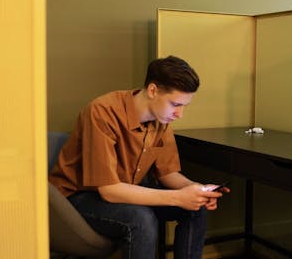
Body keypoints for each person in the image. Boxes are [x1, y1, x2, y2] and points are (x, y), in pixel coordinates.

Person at [49, 55, 229, 259]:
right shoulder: (103, 111)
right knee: (140, 219)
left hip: (125, 190)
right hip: (77, 198)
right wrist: (178, 198)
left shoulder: (161, 118)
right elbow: (109, 191)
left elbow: (168, 173)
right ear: (153, 90)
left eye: (184, 106)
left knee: (195, 209)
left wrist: (196, 191)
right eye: (175, 104)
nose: (180, 114)